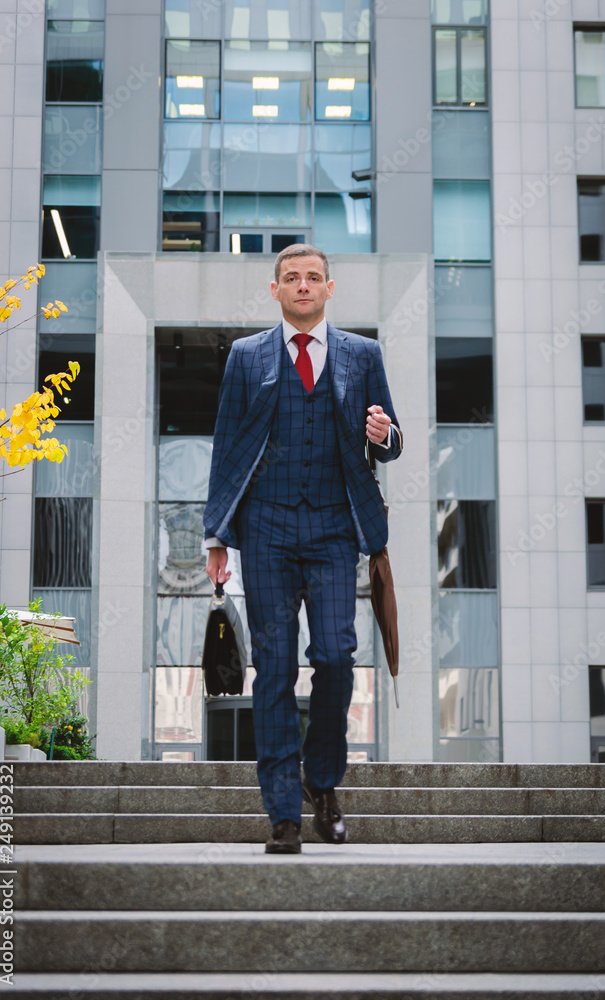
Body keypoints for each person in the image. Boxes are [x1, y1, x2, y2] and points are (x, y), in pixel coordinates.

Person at [204, 244, 402, 854]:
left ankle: (323, 780)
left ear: (329, 288)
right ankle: (283, 813)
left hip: (336, 527)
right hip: (265, 527)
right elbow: (226, 446)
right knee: (275, 669)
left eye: (313, 277)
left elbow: (392, 439)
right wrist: (216, 535)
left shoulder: (362, 354)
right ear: (276, 290)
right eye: (291, 278)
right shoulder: (246, 356)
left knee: (337, 657)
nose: (303, 286)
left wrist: (384, 434)